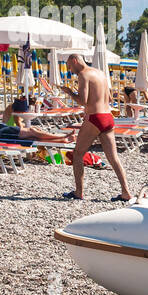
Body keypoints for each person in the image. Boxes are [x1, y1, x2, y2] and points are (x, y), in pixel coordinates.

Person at [60, 54, 131, 202]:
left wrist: (69, 92)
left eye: (70, 66)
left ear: (75, 61)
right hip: (108, 117)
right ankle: (126, 192)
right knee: (113, 158)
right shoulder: (101, 73)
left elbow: (83, 101)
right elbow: (110, 99)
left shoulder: (83, 75)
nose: (70, 70)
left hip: (95, 117)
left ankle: (78, 192)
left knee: (78, 154)